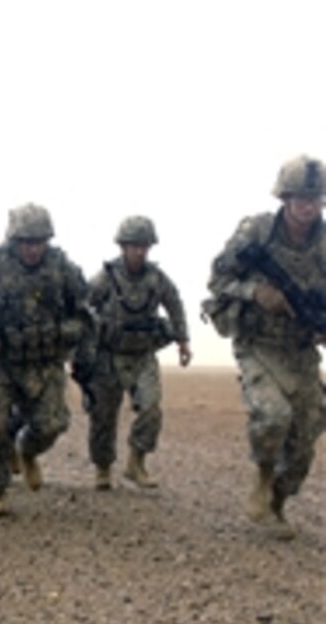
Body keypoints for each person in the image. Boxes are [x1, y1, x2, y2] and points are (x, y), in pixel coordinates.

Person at [203, 154, 325, 539]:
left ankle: (276, 501)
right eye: (300, 199)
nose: (307, 207)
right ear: (284, 199)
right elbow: (217, 281)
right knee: (272, 416)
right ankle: (262, 475)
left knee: (306, 439)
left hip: (301, 349)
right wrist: (255, 291)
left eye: (315, 199)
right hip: (259, 344)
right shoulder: (255, 233)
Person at [0, 204, 94, 516]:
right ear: (13, 240)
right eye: (26, 242)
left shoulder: (63, 270)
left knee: (52, 424)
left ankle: (26, 451)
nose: (32, 249)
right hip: (0, 363)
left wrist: (83, 352)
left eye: (39, 241)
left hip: (46, 363)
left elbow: (85, 312)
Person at [86, 216, 192, 490]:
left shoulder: (157, 279)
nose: (140, 251)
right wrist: (80, 348)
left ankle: (136, 463)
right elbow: (83, 309)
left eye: (144, 245)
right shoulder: (105, 278)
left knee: (151, 408)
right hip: (109, 356)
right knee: (104, 415)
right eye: (134, 245)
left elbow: (174, 303)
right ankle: (103, 468)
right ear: (123, 246)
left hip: (142, 356)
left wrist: (183, 340)